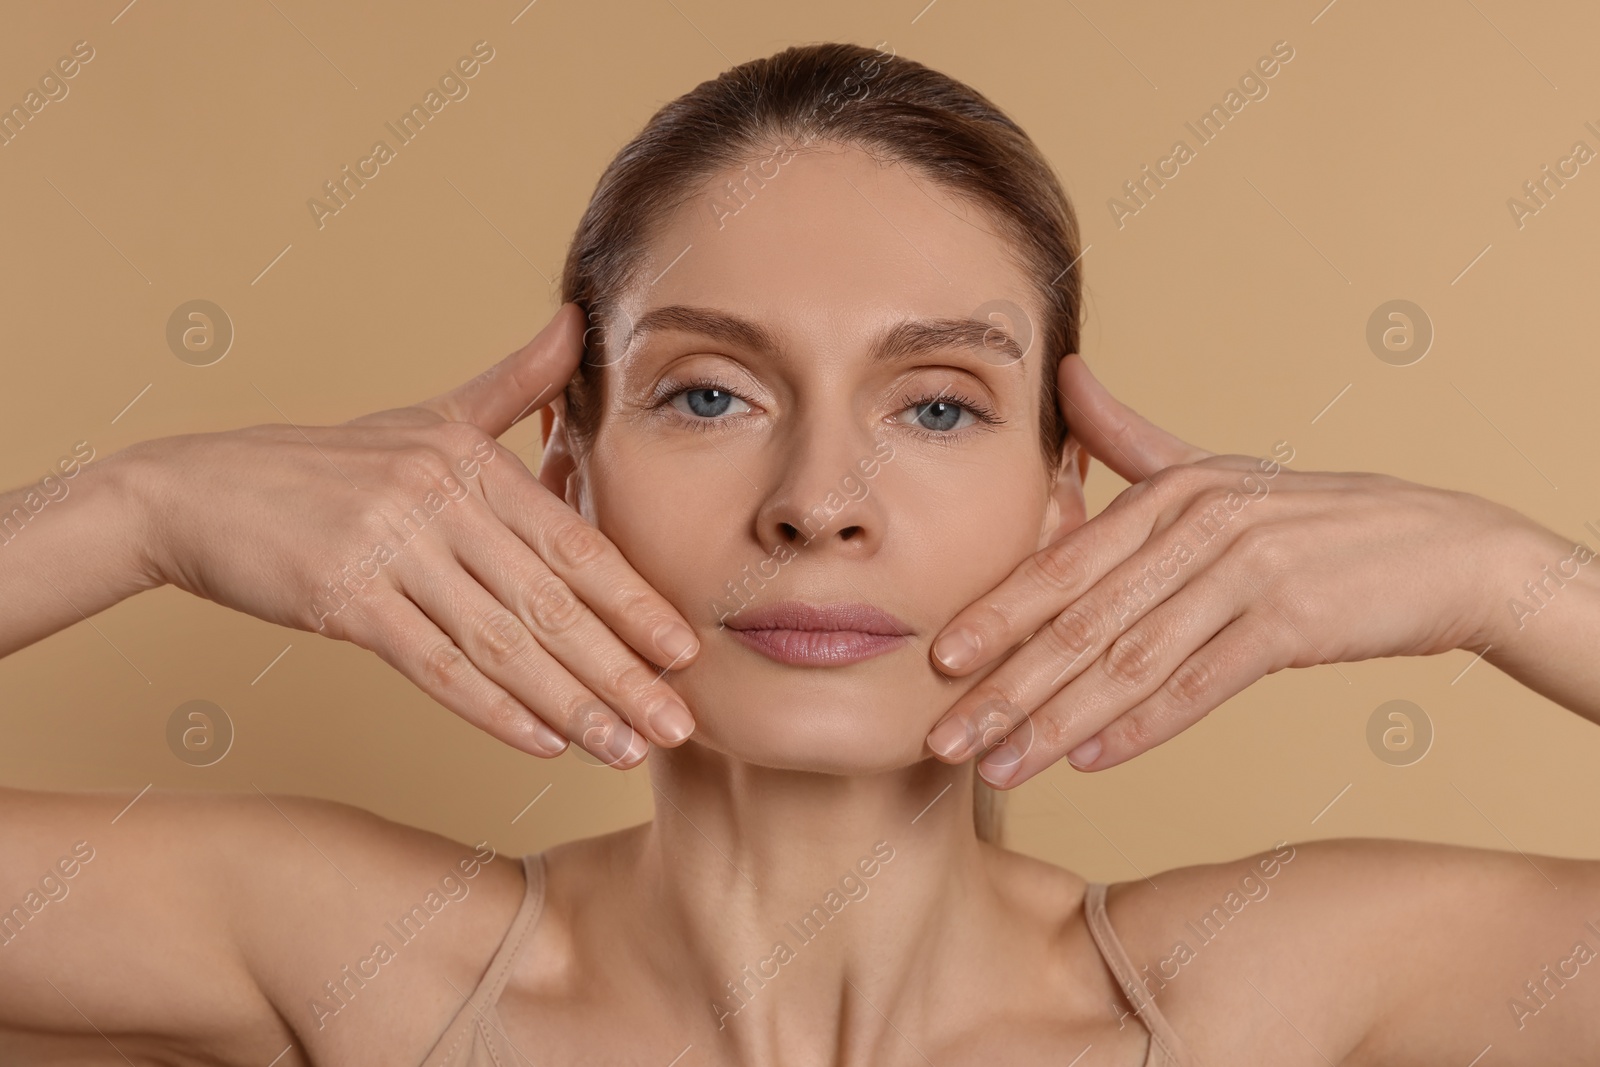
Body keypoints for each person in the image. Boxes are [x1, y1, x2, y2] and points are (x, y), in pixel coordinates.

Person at [3, 41, 1598, 1066]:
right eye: (707, 391)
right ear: (560, 485)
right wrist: (131, 511)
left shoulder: (1274, 993)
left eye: (939, 407)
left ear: (1067, 502)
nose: (818, 502)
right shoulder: (367, 965)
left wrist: (1504, 583)